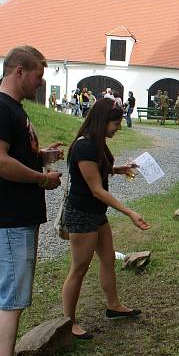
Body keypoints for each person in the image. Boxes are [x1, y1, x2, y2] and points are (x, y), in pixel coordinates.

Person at [0, 45, 63, 356]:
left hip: (19, 217)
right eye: (38, 77)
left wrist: (41, 157)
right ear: (19, 72)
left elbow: (13, 155)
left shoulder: (14, 110)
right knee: (13, 297)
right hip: (8, 218)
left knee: (9, 293)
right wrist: (42, 179)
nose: (39, 84)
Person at [61, 98, 150, 339]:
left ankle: (113, 306)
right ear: (102, 122)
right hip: (82, 214)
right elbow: (96, 188)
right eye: (116, 123)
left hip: (97, 214)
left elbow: (97, 169)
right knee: (79, 269)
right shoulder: (84, 147)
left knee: (108, 259)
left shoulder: (96, 144)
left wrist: (119, 168)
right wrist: (130, 212)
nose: (118, 127)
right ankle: (68, 323)